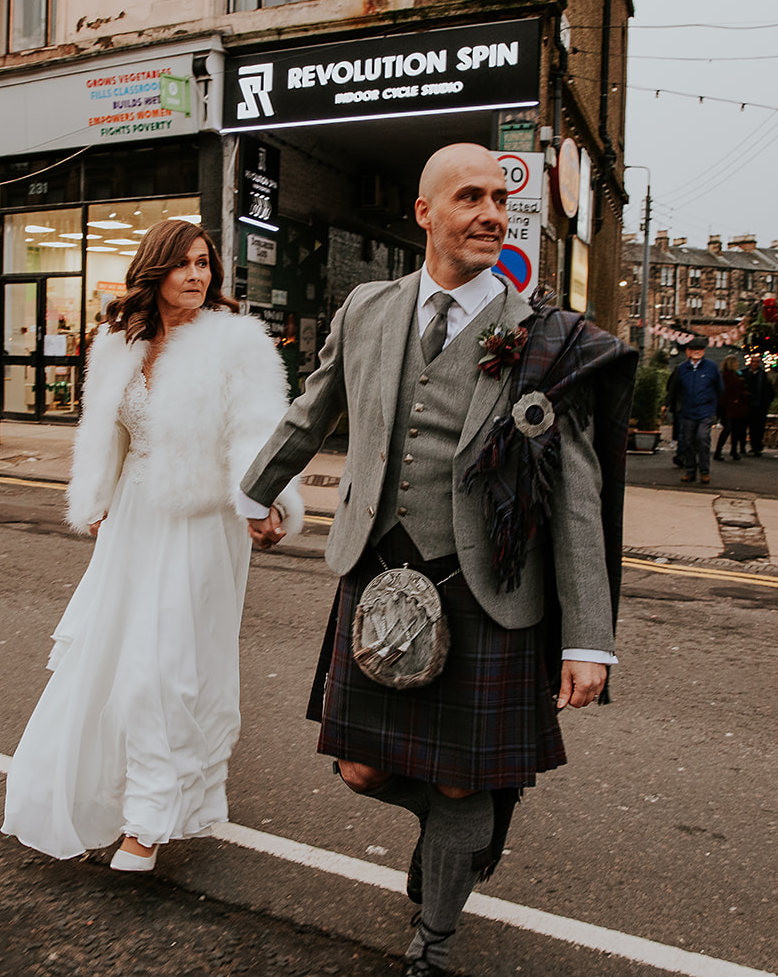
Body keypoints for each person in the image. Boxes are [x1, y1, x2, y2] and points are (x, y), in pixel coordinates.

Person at [237, 143, 635, 977]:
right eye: (470, 197)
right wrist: (251, 493)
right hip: (376, 577)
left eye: (499, 198)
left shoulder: (541, 338)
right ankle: (474, 817)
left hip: (485, 588)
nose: (491, 212)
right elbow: (311, 415)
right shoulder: (367, 310)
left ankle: (435, 938)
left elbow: (577, 498)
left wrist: (589, 639)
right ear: (426, 212)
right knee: (358, 765)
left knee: (459, 783)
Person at [1, 219, 304, 872]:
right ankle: (107, 800)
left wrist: (268, 499)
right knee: (108, 660)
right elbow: (103, 433)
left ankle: (151, 818)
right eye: (184, 263)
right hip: (134, 517)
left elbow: (257, 430)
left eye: (205, 264)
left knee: (164, 668)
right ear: (154, 270)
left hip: (201, 519)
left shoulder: (236, 344)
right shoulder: (119, 342)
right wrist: (100, 497)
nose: (197, 275)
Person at [669, 335, 721, 483]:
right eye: (693, 349)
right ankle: (690, 471)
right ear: (688, 351)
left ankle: (704, 471)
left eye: (700, 349)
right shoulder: (682, 368)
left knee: (703, 438)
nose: (697, 352)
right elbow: (674, 388)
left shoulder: (711, 367)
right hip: (688, 411)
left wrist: (714, 405)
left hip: (705, 410)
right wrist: (669, 404)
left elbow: (719, 388)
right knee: (688, 441)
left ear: (704, 351)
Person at [712, 354, 749, 462]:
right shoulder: (725, 377)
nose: (738, 364)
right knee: (727, 428)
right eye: (736, 362)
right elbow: (723, 391)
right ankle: (718, 451)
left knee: (736, 429)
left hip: (737, 406)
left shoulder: (737, 376)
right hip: (728, 406)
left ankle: (734, 450)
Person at [741, 353, 772, 455]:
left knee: (757, 428)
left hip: (759, 406)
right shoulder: (743, 373)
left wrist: (766, 403)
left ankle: (756, 447)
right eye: (753, 361)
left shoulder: (763, 375)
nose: (755, 364)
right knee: (743, 427)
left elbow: (768, 390)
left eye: (757, 362)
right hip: (745, 405)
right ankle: (742, 446)